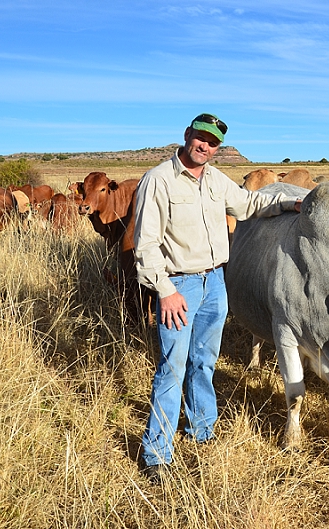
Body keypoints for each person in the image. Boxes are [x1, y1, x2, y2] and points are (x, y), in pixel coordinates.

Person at [133, 113, 302, 481]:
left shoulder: (215, 180)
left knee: (204, 362)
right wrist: (165, 291)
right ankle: (157, 454)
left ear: (218, 148)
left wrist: (290, 205)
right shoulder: (159, 180)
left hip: (215, 284)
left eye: (212, 142)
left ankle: (201, 430)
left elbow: (249, 205)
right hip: (179, 286)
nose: (204, 146)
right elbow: (144, 246)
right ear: (187, 135)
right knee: (171, 369)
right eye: (200, 137)